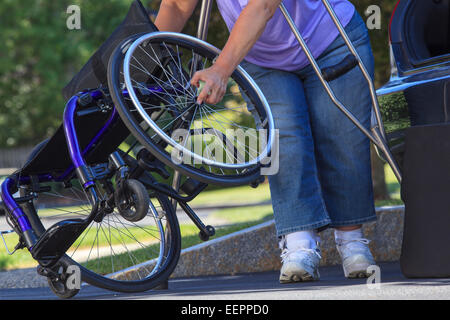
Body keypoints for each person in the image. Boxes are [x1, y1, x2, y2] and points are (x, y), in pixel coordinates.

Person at [155, 0, 377, 282]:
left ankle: (352, 242)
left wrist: (220, 69)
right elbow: (175, 6)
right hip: (261, 56)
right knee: (283, 139)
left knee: (341, 139)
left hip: (331, 38)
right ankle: (299, 245)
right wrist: (145, 63)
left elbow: (262, 6)